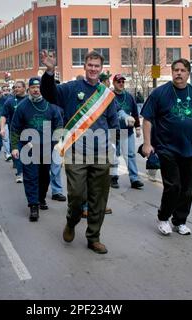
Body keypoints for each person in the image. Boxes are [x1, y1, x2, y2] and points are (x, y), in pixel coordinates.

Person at [40, 50, 128, 254]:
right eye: (90, 65)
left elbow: (113, 121)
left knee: (99, 198)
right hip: (76, 151)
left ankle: (94, 237)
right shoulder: (72, 88)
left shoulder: (107, 95)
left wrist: (113, 145)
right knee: (77, 196)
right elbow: (50, 94)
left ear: (101, 69)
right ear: (85, 66)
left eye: (97, 66)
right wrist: (50, 71)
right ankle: (71, 222)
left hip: (101, 153)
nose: (93, 69)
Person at [140, 58, 192, 236]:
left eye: (182, 70)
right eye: (175, 70)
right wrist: (148, 143)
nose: (178, 73)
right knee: (173, 186)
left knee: (187, 189)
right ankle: (163, 218)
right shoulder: (160, 93)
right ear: (172, 72)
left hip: (189, 150)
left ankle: (180, 221)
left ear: (188, 73)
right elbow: (147, 119)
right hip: (167, 149)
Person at [10, 77, 63, 221]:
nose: (36, 90)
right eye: (33, 87)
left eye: (38, 87)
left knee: (44, 175)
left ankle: (41, 198)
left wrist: (57, 141)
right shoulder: (22, 106)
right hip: (28, 147)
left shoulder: (51, 105)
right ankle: (33, 205)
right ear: (29, 89)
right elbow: (15, 128)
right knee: (31, 176)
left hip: (47, 147)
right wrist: (15, 147)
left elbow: (59, 124)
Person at [110, 74, 144, 190]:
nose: (121, 83)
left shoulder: (129, 97)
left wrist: (137, 127)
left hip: (127, 131)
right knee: (114, 155)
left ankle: (134, 178)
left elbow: (135, 112)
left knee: (130, 155)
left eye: (123, 82)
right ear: (114, 83)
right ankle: (113, 177)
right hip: (114, 131)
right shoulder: (110, 96)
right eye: (118, 81)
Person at [0, 81, 27, 183]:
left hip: (30, 131)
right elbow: (3, 116)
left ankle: (28, 172)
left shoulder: (30, 100)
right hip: (15, 131)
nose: (16, 89)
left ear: (24, 88)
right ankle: (20, 173)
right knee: (16, 152)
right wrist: (2, 128)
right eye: (15, 87)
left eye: (19, 87)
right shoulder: (10, 101)